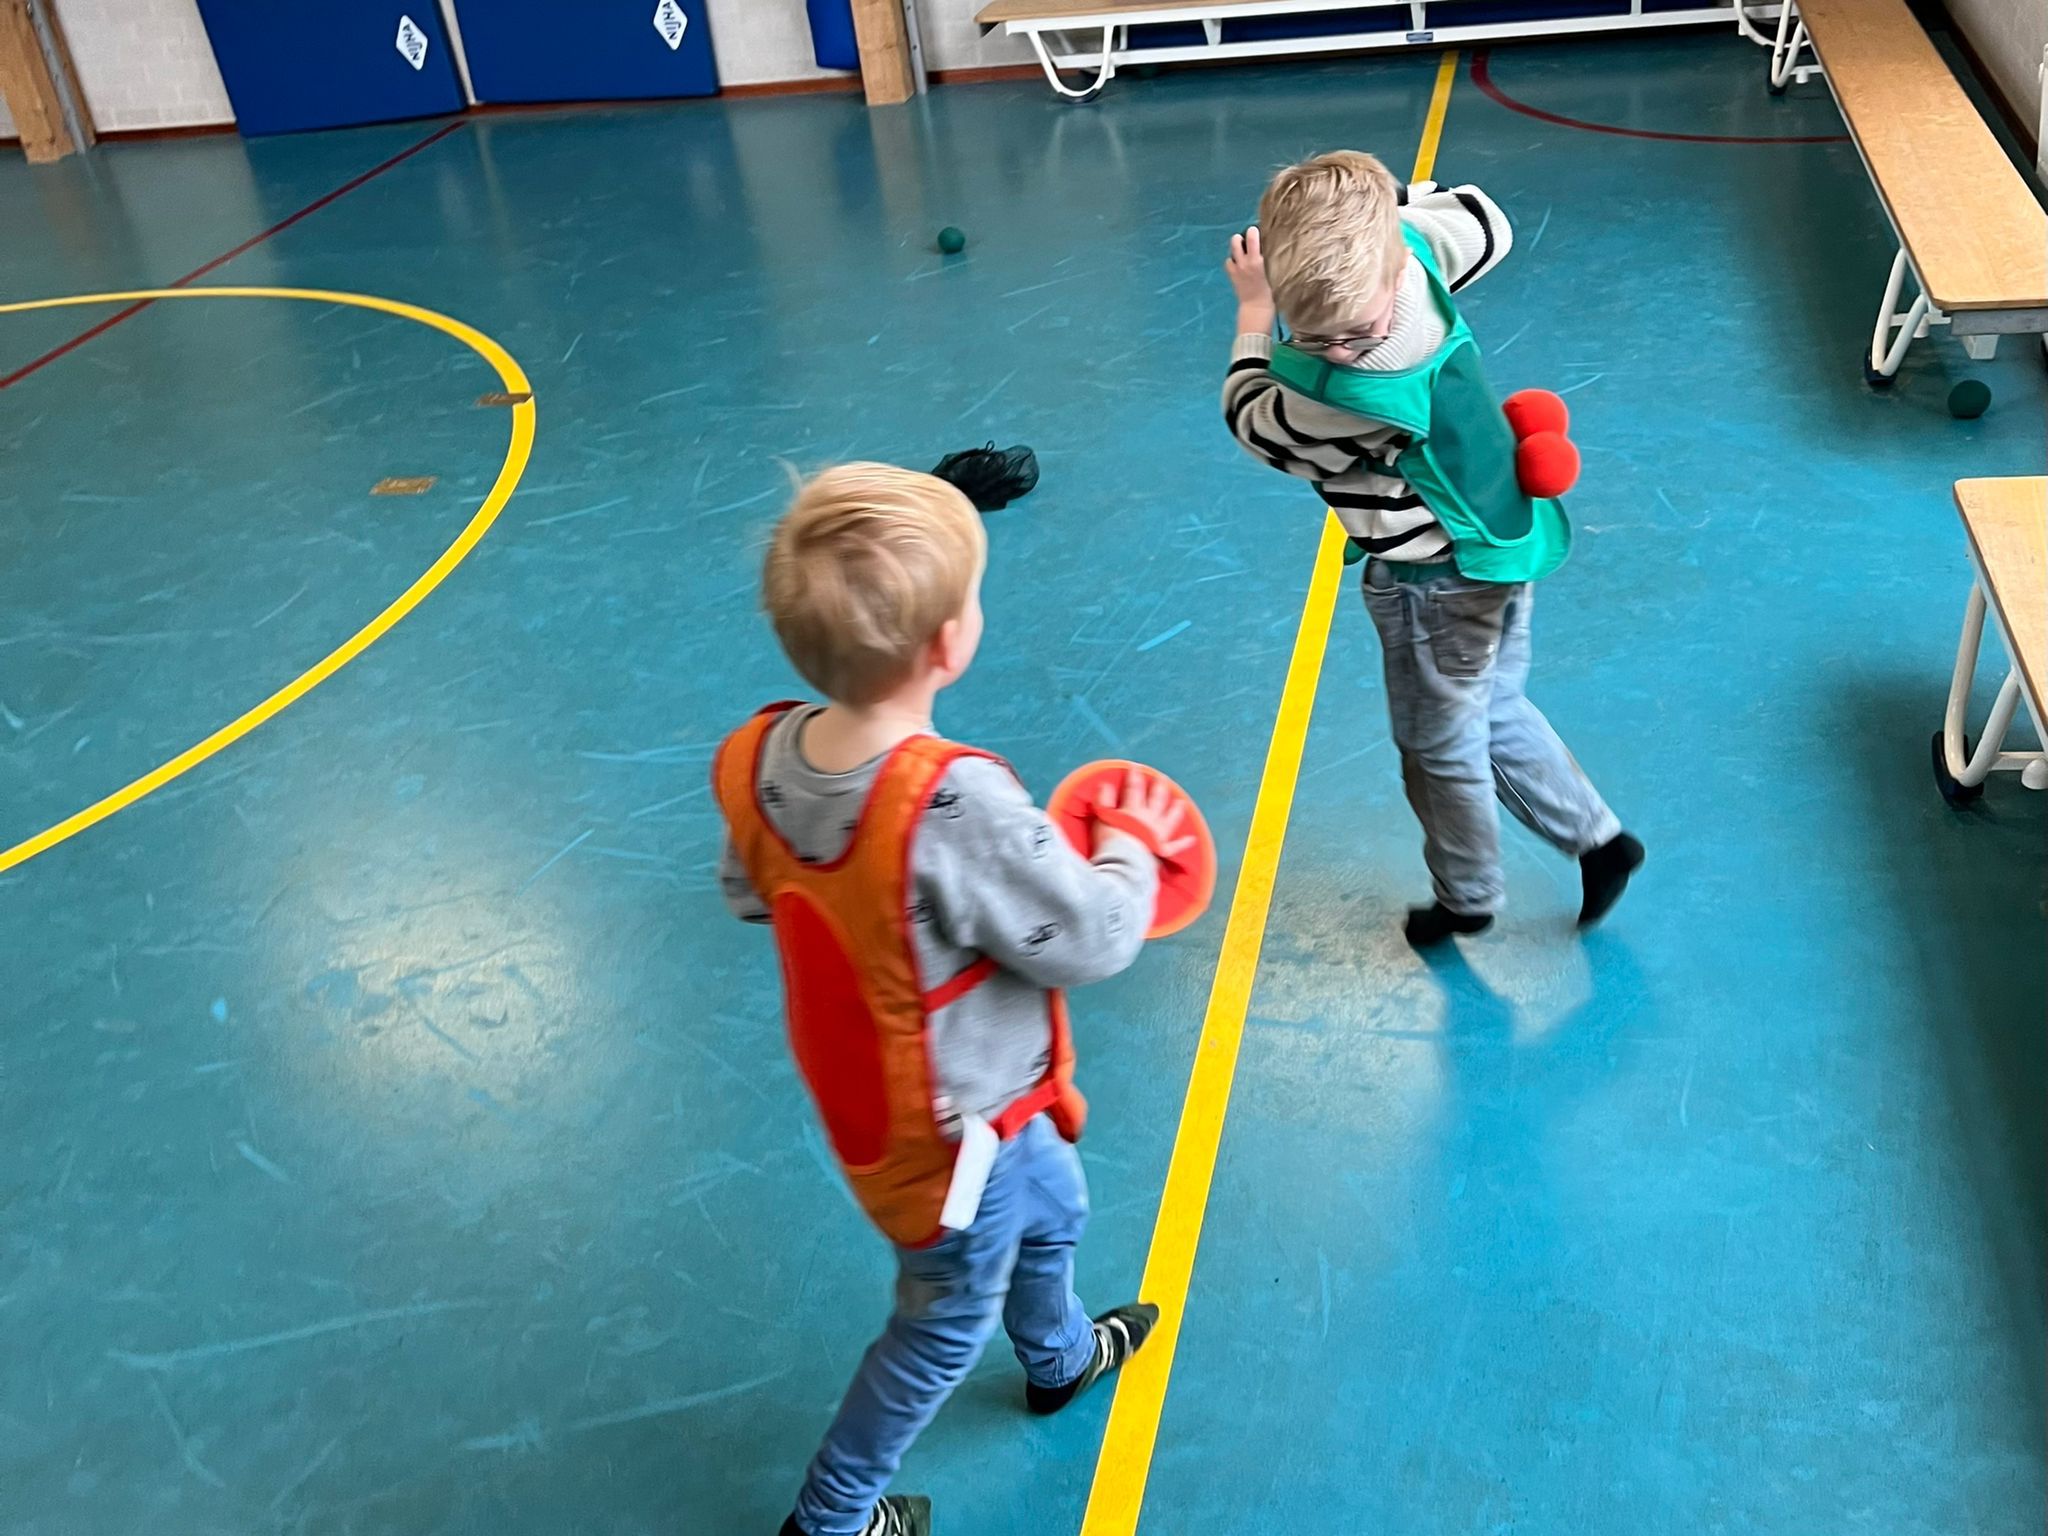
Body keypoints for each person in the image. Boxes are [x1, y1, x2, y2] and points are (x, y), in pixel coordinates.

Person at [716, 463, 1182, 1536]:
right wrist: (1127, 846)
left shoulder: (760, 758)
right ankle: (831, 1518)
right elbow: (1096, 936)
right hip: (956, 1142)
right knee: (937, 1328)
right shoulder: (952, 800)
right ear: (949, 644)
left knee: (1057, 1207)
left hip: (898, 1102)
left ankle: (1059, 1355)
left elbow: (750, 890)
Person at [1221, 150, 1643, 946]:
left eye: (1358, 332)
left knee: (1436, 745)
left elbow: (1253, 421)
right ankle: (1600, 840)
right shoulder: (1413, 253)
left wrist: (1254, 314)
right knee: (1492, 705)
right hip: (1500, 540)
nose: (1340, 352)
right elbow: (1483, 217)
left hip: (1432, 587)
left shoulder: (1354, 397)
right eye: (1318, 338)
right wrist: (1390, 206)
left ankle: (1466, 896)